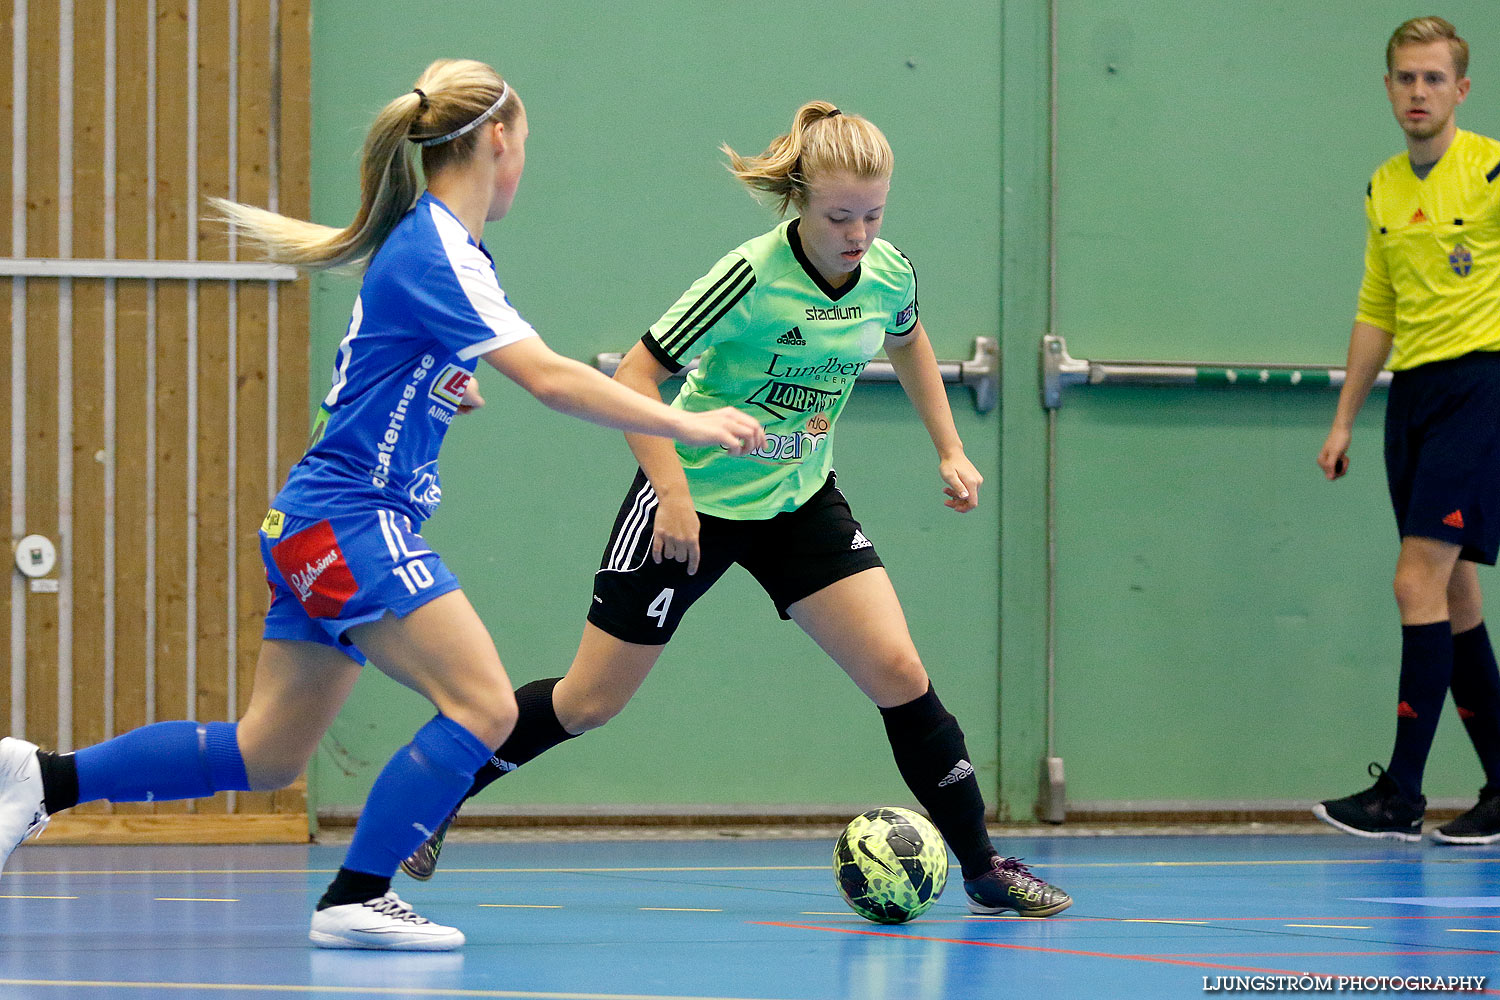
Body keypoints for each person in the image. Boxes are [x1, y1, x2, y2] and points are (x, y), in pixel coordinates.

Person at [0, 58, 766, 951]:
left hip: (318, 521)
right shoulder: (437, 244)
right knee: (484, 707)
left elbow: (394, 365)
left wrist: (444, 381)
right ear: (497, 141)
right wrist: (693, 424)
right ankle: (356, 896)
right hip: (353, 519)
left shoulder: (443, 247)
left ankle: (41, 778)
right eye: (525, 146)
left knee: (268, 753)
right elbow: (555, 380)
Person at [400, 100, 1073, 917]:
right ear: (800, 200)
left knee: (900, 672)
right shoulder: (748, 277)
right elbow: (635, 380)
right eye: (839, 216)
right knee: (589, 702)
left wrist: (950, 448)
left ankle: (981, 867)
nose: (858, 233)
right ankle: (430, 794)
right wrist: (673, 494)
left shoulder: (890, 272)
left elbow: (908, 340)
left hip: (799, 502)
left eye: (873, 213)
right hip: (692, 499)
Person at [1315, 17, 1500, 845]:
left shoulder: (1491, 171)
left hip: (1483, 385)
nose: (1418, 93)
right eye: (1404, 78)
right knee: (1453, 597)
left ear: (1461, 89)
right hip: (1415, 398)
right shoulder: (1384, 187)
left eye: (1433, 79)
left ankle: (1403, 792)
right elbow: (1376, 310)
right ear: (1388, 87)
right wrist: (1346, 416)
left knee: (1413, 581)